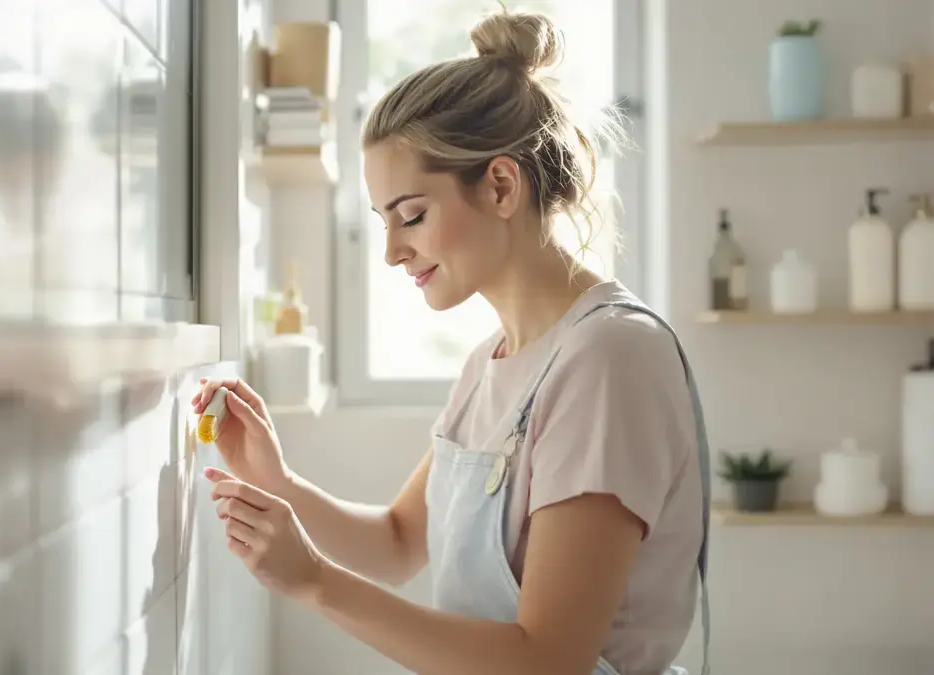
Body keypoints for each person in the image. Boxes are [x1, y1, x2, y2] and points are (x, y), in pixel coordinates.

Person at [192, 9, 711, 675]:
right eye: (383, 222)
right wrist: (276, 480)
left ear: (501, 186)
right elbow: (397, 542)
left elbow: (550, 660)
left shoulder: (611, 358)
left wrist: (315, 581)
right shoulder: (490, 363)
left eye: (411, 215)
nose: (391, 251)